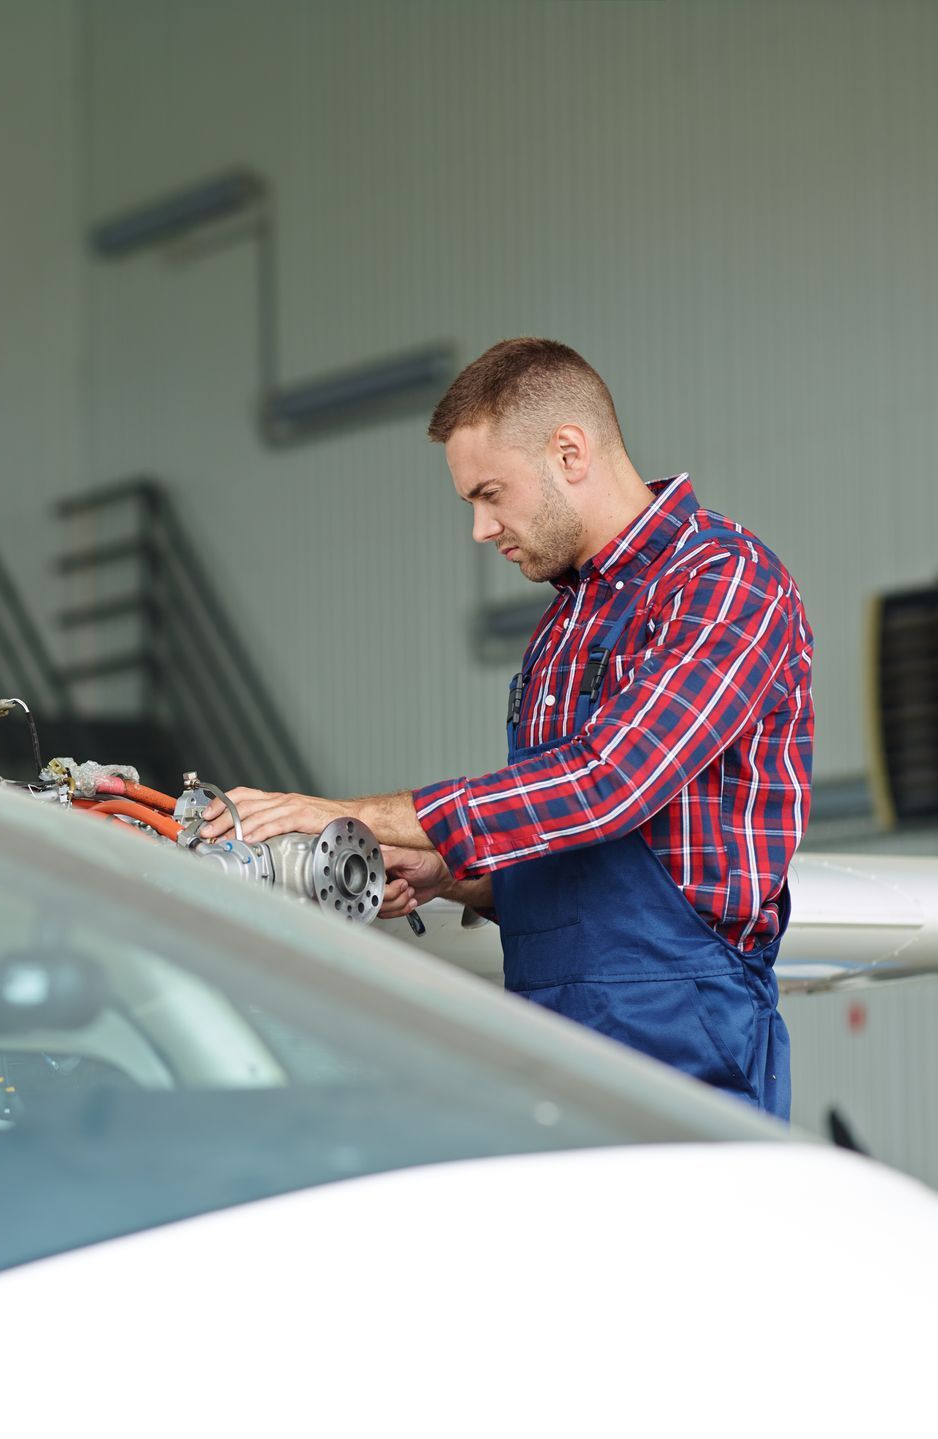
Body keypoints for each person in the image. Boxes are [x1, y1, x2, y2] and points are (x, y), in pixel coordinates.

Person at [201, 337, 813, 1117]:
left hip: (684, 1035)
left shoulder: (725, 583)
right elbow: (576, 854)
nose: (481, 529)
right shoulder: (560, 629)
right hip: (547, 1031)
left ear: (569, 451)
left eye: (491, 493)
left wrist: (339, 811)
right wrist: (455, 877)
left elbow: (605, 786)